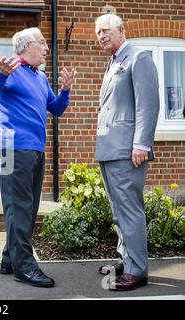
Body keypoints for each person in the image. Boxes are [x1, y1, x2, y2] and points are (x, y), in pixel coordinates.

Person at [0, 27, 76, 287]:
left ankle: (9, 258)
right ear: (27, 46)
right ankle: (24, 266)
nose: (47, 48)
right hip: (11, 149)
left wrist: (65, 91)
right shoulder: (10, 69)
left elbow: (56, 109)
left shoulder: (40, 77)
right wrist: (0, 74)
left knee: (28, 207)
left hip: (35, 149)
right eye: (43, 43)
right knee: (20, 207)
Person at [94, 14, 159, 291]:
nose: (102, 36)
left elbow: (148, 103)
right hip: (109, 148)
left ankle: (137, 270)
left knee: (130, 210)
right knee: (118, 211)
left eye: (106, 30)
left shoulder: (138, 57)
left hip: (127, 149)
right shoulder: (114, 61)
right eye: (98, 32)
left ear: (121, 30)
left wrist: (141, 143)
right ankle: (126, 257)